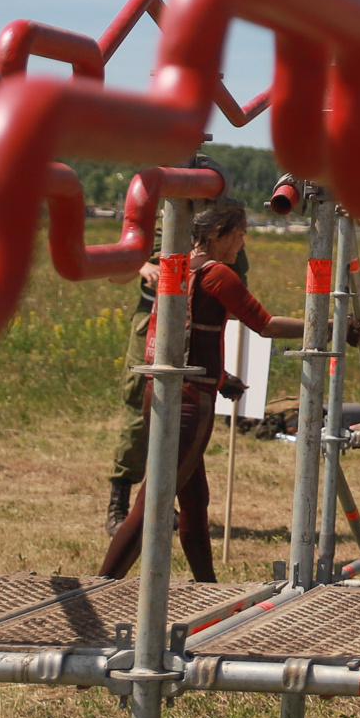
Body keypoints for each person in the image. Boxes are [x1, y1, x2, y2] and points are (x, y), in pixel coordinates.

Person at [99, 201, 360, 580]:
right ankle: (103, 583)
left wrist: (221, 377)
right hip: (190, 405)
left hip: (160, 394)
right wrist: (331, 327)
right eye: (239, 234)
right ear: (216, 234)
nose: (242, 243)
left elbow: (183, 336)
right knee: (153, 502)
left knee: (194, 502)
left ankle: (206, 585)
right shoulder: (218, 274)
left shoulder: (179, 267)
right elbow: (265, 324)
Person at [104, 160, 249, 537]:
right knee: (141, 415)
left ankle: (160, 501)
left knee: (182, 423)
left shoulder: (221, 228)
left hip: (197, 332)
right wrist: (142, 267)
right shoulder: (156, 223)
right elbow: (119, 267)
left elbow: (236, 294)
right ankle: (120, 504)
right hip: (151, 327)